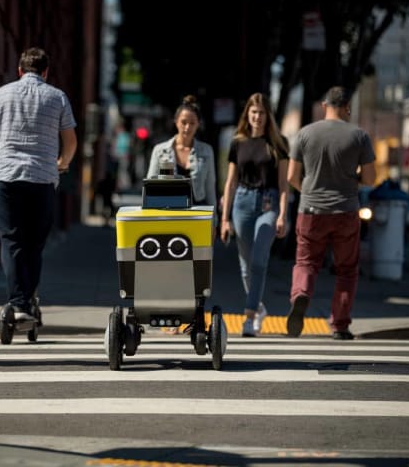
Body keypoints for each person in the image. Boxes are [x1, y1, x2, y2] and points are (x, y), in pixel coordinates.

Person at [0, 47, 77, 322]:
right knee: (34, 244)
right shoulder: (58, 97)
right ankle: (26, 301)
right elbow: (71, 141)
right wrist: (61, 163)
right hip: (42, 179)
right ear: (46, 72)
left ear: (20, 71)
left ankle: (18, 302)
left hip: (8, 178)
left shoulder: (2, 93)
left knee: (11, 241)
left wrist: (2, 159)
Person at [286, 86, 376, 340]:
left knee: (306, 262)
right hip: (346, 210)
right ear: (347, 107)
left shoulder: (305, 134)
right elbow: (370, 178)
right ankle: (339, 324)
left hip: (311, 210)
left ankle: (301, 293)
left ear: (325, 106)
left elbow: (292, 177)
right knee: (346, 269)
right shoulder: (359, 136)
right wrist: (351, 180)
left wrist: (310, 190)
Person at [219, 93, 289, 337]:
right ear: (247, 115)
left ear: (268, 116)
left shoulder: (279, 144)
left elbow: (283, 185)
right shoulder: (238, 142)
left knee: (259, 260)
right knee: (246, 267)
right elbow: (230, 182)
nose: (257, 117)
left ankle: (248, 318)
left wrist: (282, 216)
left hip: (269, 205)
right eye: (253, 112)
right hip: (241, 203)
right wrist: (224, 219)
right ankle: (258, 307)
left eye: (261, 112)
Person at [146, 95, 217, 209]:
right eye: (184, 122)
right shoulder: (160, 150)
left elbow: (210, 189)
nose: (187, 127)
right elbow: (150, 187)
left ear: (198, 124)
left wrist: (214, 221)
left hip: (198, 210)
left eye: (192, 123)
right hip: (169, 209)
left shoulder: (206, 151)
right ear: (176, 122)